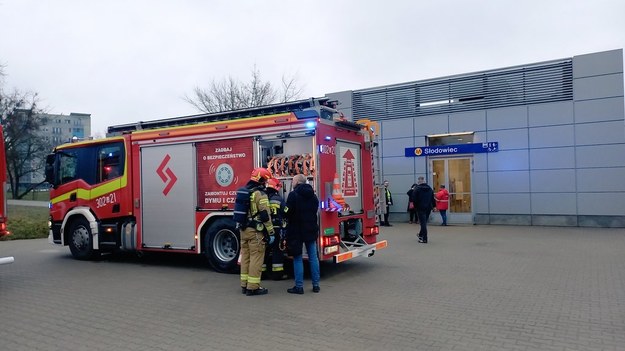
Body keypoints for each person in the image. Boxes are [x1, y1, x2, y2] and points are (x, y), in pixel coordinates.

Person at [240, 168, 275, 296]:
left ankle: (244, 285)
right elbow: (265, 215)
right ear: (261, 179)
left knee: (246, 257)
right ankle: (253, 287)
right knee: (256, 258)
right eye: (265, 180)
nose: (266, 183)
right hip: (255, 232)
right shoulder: (260, 194)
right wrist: (271, 232)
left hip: (243, 230)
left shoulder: (245, 191)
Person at [285, 174, 320, 294]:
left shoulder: (293, 195)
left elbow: (287, 212)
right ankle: (316, 285)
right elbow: (314, 211)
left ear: (298, 182)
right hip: (311, 229)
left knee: (298, 258)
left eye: (293, 181)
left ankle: (299, 287)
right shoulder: (313, 196)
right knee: (313, 258)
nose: (292, 182)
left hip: (296, 231)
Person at [264, 178, 288, 280]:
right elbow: (286, 211)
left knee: (264, 252)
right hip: (277, 229)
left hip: (264, 229)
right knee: (277, 251)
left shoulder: (263, 197)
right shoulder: (278, 199)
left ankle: (262, 274)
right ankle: (277, 274)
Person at [411, 176, 435, 243]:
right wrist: (434, 206)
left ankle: (424, 238)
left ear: (419, 182)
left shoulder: (417, 189)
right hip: (428, 208)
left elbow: (414, 199)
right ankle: (421, 235)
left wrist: (416, 207)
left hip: (420, 208)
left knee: (423, 223)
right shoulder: (430, 189)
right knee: (424, 222)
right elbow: (432, 198)